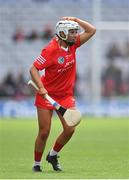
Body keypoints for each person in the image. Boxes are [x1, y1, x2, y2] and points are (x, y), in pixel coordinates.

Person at [29, 16, 96, 172]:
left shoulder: (73, 45)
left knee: (70, 128)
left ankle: (53, 155)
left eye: (75, 32)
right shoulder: (50, 50)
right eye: (72, 32)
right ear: (62, 33)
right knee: (44, 132)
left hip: (65, 95)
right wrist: (41, 87)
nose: (75, 35)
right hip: (47, 95)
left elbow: (92, 30)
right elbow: (33, 69)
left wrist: (76, 20)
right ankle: (37, 164)